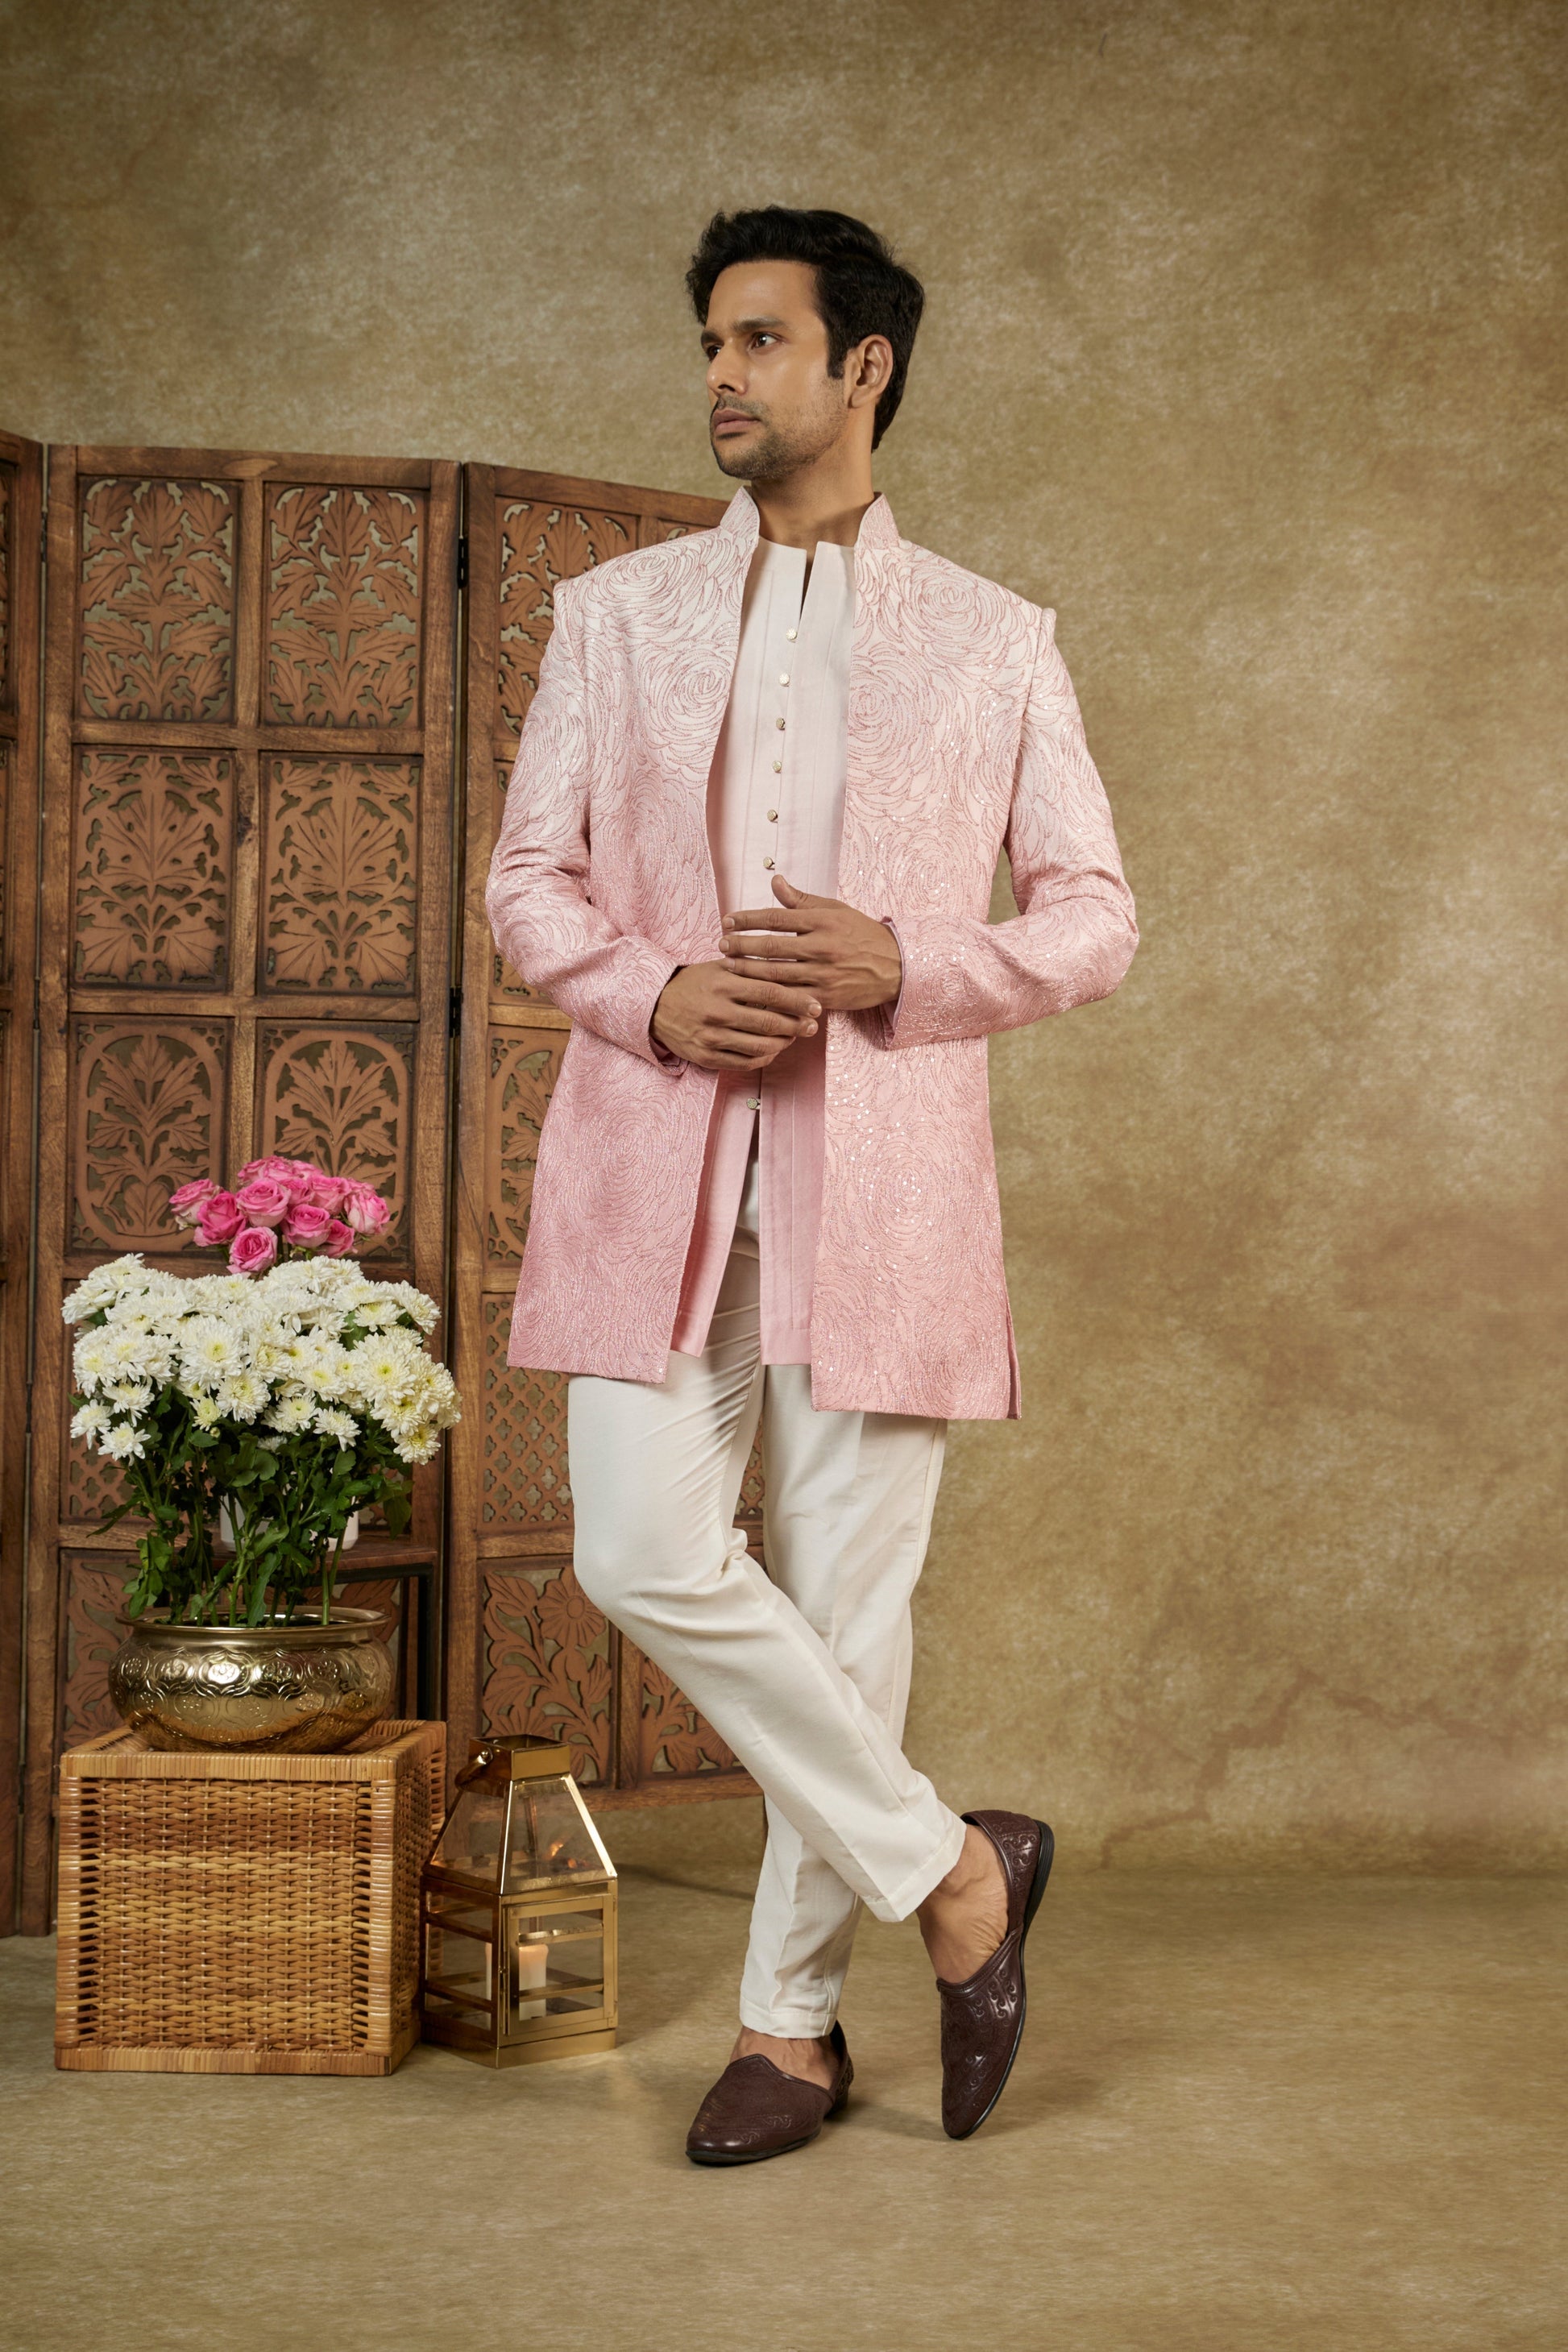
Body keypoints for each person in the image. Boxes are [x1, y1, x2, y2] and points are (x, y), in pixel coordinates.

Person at [486, 205, 1138, 2161]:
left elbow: (1094, 916)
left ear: (864, 366)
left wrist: (910, 962)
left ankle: (788, 2028)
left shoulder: (993, 637)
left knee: (849, 1612)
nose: (719, 373)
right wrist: (651, 990)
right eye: (711, 340)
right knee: (639, 1547)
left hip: (886, 1188)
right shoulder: (615, 617)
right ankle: (956, 1868)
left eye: (758, 340)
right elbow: (530, 881)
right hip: (653, 1168)